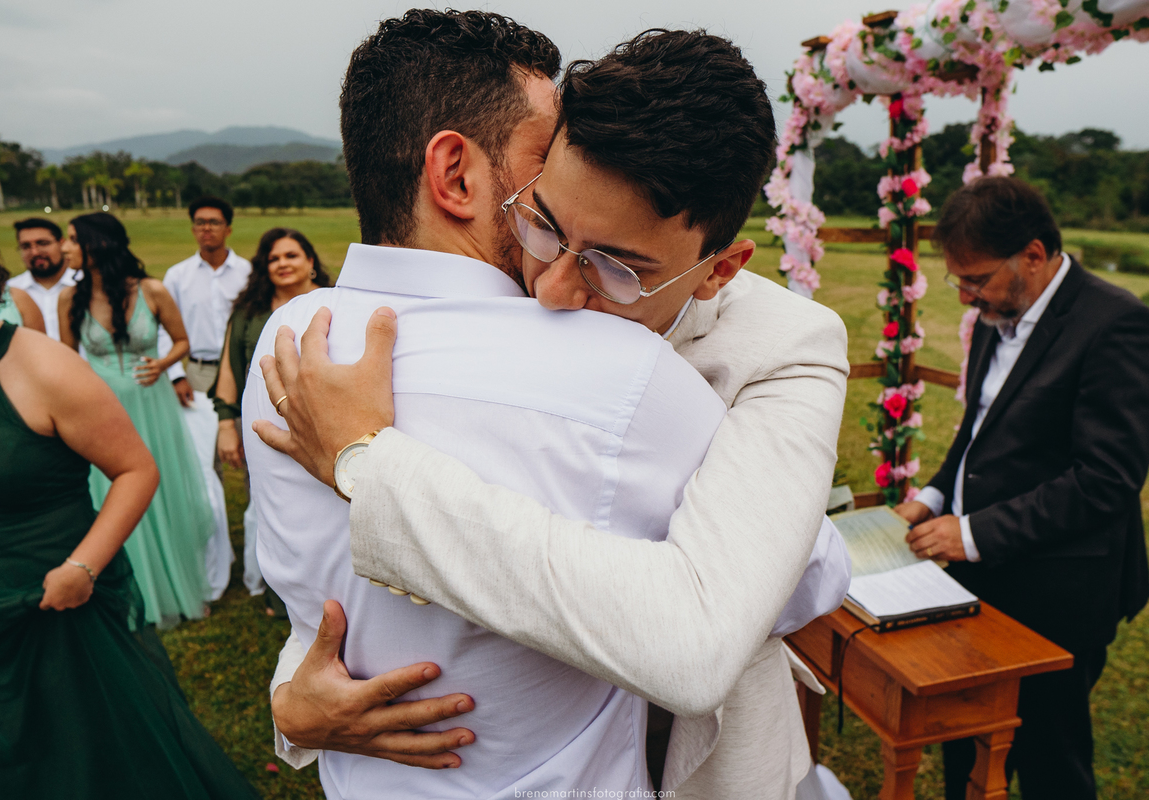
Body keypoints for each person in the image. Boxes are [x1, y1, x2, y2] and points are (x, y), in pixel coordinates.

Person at [254, 22, 850, 800]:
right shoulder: (334, 344)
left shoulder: (788, 345)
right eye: (542, 220)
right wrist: (291, 700)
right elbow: (324, 586)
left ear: (718, 271)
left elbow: (773, 599)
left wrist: (372, 464)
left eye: (618, 269)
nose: (552, 291)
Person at [892, 177, 1149, 800]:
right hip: (977, 576)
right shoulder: (997, 312)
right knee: (965, 744)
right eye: (957, 281)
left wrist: (972, 532)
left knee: (1050, 757)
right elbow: (979, 431)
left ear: (1034, 255)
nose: (966, 297)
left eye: (977, 279)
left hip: (1060, 590)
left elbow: (1107, 481)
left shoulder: (1119, 325)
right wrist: (933, 497)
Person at [0, 260, 259, 799]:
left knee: (85, 753)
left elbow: (136, 470)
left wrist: (80, 568)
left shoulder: (44, 367)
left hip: (55, 598)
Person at [58, 212, 215, 629]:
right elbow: (68, 359)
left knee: (161, 492)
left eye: (73, 239)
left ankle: (178, 585)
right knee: (110, 493)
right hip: (100, 412)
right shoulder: (68, 300)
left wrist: (163, 364)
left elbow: (182, 341)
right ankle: (128, 589)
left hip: (153, 405)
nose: (64, 248)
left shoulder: (152, 290)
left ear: (98, 244)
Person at [212, 228, 330, 613]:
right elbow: (229, 370)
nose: (282, 263)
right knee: (272, 509)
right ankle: (283, 596)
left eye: (291, 255)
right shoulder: (249, 312)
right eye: (274, 258)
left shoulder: (329, 306)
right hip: (262, 429)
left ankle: (327, 589)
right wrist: (226, 425)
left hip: (322, 424)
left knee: (323, 510)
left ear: (311, 262)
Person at [158, 196, 249, 603]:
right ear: (192, 228)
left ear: (229, 227)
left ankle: (259, 557)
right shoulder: (177, 276)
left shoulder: (247, 272)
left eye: (214, 222)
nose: (206, 229)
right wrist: (174, 373)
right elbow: (162, 326)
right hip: (193, 371)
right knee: (201, 467)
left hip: (240, 372)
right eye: (199, 223)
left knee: (249, 460)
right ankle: (209, 558)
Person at [8, 217, 78, 340]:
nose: (35, 252)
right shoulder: (11, 291)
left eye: (43, 243)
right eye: (26, 246)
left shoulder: (84, 283)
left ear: (62, 243)